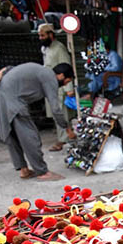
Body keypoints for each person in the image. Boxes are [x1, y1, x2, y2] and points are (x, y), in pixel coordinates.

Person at [0, 62, 75, 181]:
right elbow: (55, 108)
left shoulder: (38, 70)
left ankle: (24, 170)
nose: (64, 85)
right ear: (61, 75)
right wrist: (67, 128)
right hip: (12, 101)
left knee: (12, 135)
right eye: (67, 81)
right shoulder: (50, 77)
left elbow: (7, 68)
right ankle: (42, 172)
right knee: (30, 136)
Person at [38, 23, 74, 151]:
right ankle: (64, 137)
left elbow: (66, 67)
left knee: (61, 114)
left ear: (50, 35)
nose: (40, 38)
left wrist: (69, 88)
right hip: (51, 86)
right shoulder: (47, 49)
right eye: (39, 35)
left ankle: (63, 140)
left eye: (42, 35)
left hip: (60, 86)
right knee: (56, 114)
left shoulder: (59, 48)